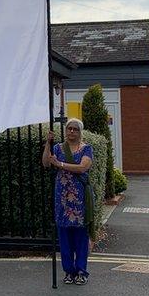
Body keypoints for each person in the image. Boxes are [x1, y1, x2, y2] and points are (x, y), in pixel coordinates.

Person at [42, 119, 94, 285]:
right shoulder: (57, 148)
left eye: (75, 129)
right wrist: (48, 144)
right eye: (69, 129)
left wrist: (61, 164)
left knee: (80, 236)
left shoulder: (86, 149)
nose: (71, 132)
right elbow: (45, 163)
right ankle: (69, 271)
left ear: (80, 132)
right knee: (64, 237)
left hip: (79, 198)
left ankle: (81, 271)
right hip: (62, 197)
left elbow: (82, 167)